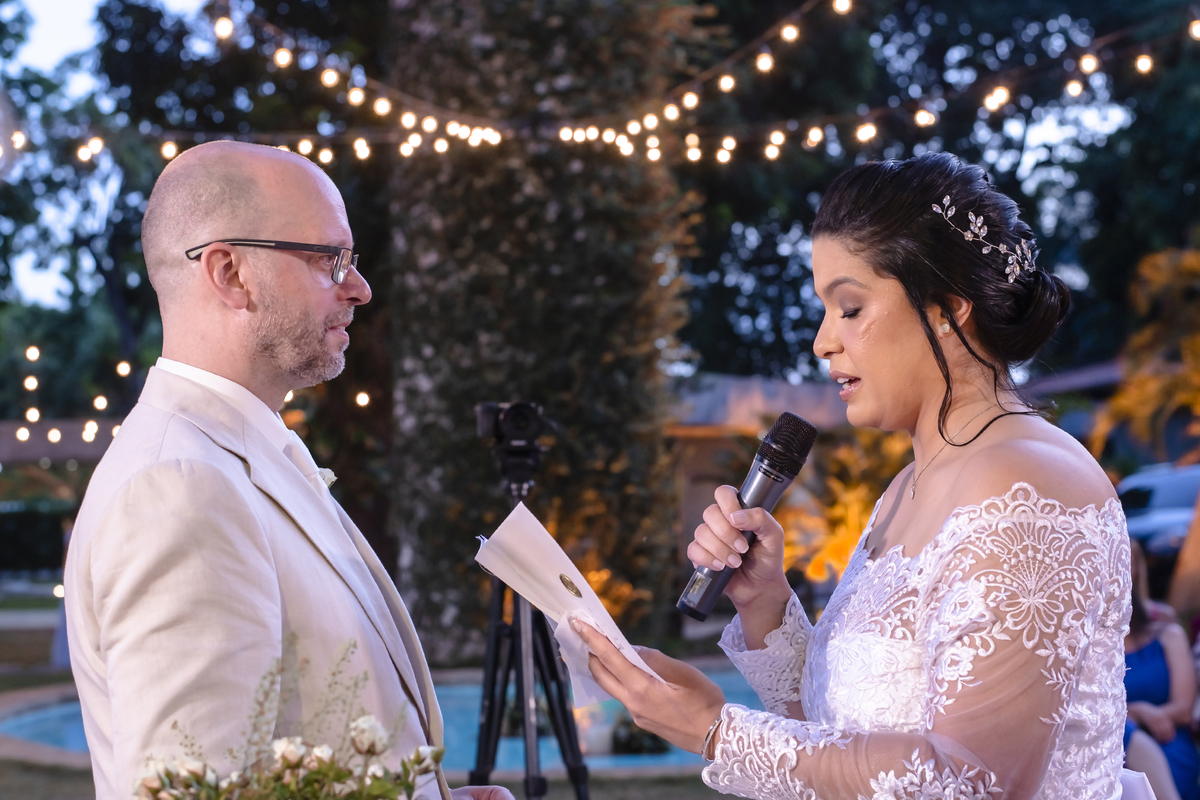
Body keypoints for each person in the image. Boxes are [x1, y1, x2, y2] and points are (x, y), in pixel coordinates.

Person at [576, 152, 1142, 799]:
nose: (822, 341)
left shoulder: (1029, 485)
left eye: (849, 308)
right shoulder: (906, 487)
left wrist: (718, 733)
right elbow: (843, 731)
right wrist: (764, 605)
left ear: (946, 312)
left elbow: (974, 782)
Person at [64, 141, 510, 800]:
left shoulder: (239, 456)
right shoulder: (180, 489)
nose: (358, 287)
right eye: (329, 259)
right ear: (230, 273)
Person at [1125, 542, 1200, 799]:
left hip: (1168, 739)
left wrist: (1148, 714)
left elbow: (1184, 710)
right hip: (1113, 749)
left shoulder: (1168, 635)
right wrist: (1136, 711)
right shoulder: (1089, 645)